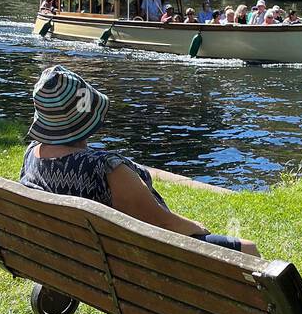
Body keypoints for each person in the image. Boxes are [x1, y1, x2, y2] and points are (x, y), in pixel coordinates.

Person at [20, 65, 259, 254]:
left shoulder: (32, 156)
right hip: (136, 265)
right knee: (248, 250)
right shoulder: (105, 168)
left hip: (75, 259)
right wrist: (195, 226)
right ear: (89, 113)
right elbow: (162, 224)